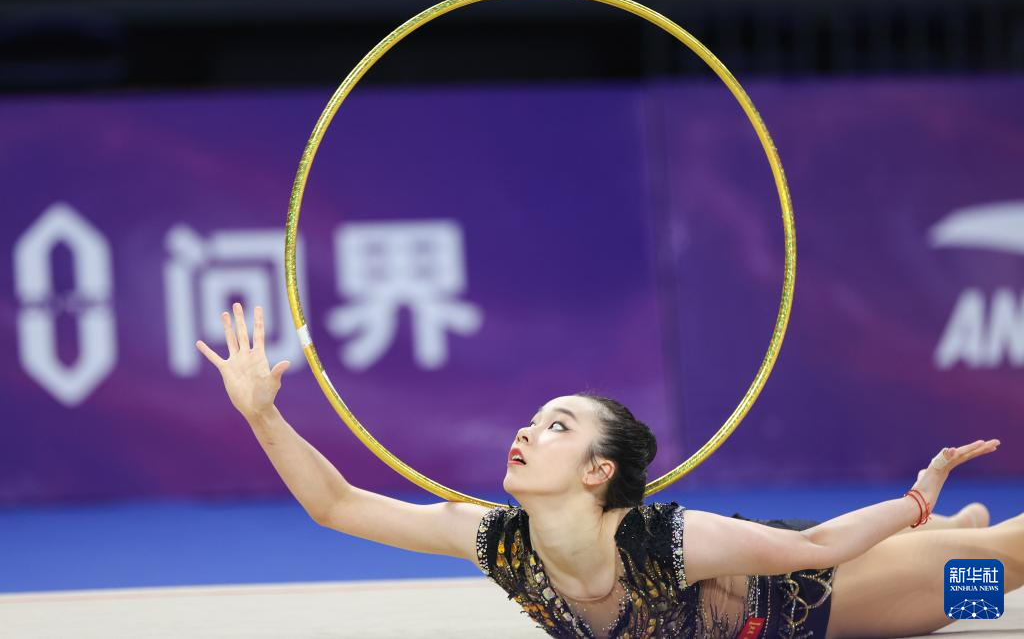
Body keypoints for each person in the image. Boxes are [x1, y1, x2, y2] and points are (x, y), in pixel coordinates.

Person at [197, 303, 1016, 639]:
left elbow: (818, 548)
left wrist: (915, 497)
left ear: (598, 471)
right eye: (531, 420)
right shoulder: (498, 540)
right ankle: (955, 527)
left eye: (557, 425)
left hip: (826, 599)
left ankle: (949, 529)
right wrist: (261, 414)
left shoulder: (666, 539)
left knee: (1000, 575)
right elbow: (337, 505)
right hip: (797, 565)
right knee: (970, 559)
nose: (527, 430)